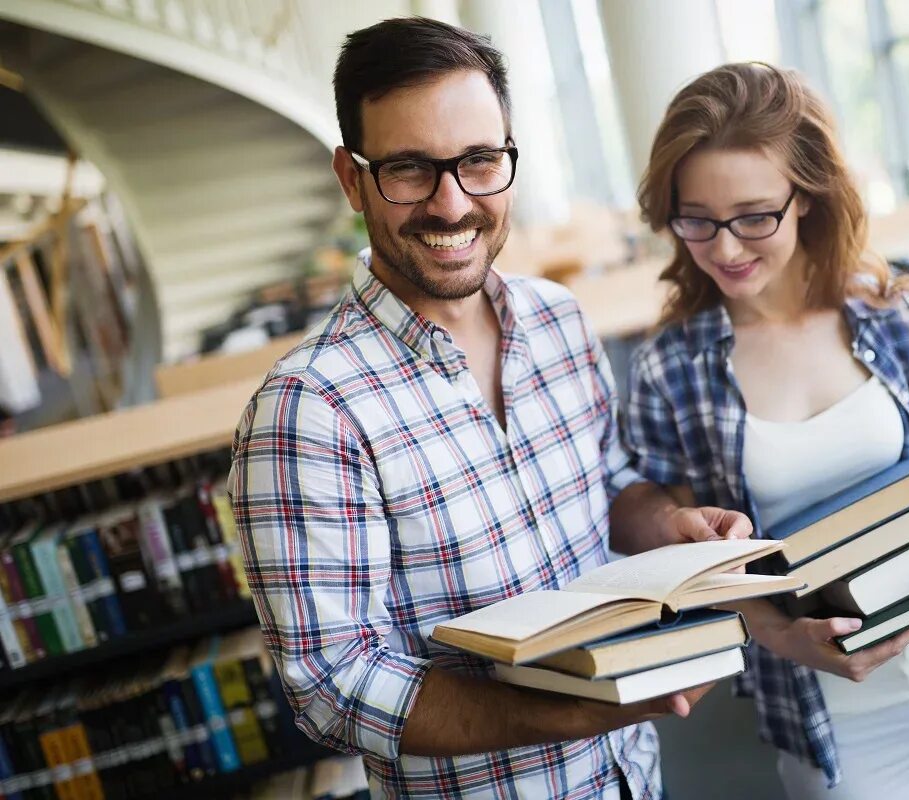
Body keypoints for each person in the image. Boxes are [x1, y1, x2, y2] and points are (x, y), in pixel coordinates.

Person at [228, 18, 750, 800]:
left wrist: (666, 526)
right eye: (409, 168)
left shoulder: (558, 321)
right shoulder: (309, 412)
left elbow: (607, 486)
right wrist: (580, 709)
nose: (450, 204)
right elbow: (332, 687)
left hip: (631, 779)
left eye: (478, 161)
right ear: (351, 177)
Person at [622, 62, 909, 800]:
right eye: (696, 218)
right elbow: (665, 542)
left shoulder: (893, 318)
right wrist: (771, 629)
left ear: (809, 199)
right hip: (833, 714)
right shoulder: (671, 365)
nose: (725, 249)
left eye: (755, 216)